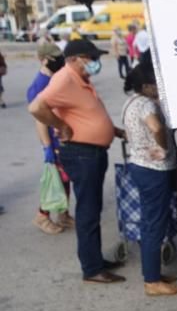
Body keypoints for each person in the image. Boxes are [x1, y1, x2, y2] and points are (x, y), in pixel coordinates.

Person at [28, 38, 126, 284]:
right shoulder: (64, 78)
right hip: (82, 154)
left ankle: (95, 260)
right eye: (91, 58)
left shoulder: (81, 80)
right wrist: (60, 126)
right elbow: (36, 107)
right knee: (88, 212)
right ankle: (92, 268)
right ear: (74, 59)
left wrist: (114, 131)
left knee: (92, 209)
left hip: (91, 153)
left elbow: (87, 114)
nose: (96, 62)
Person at [122, 60, 177, 296]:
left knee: (153, 222)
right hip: (153, 171)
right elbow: (156, 128)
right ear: (147, 85)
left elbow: (139, 134)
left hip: (143, 166)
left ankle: (154, 274)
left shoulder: (131, 102)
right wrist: (163, 148)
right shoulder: (147, 104)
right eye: (157, 83)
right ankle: (152, 281)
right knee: (154, 224)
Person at [26, 41, 73, 234]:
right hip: (53, 142)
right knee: (56, 179)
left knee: (66, 178)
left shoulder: (55, 79)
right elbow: (40, 121)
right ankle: (42, 216)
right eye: (56, 58)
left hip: (63, 138)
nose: (60, 61)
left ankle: (63, 214)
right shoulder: (39, 86)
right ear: (44, 60)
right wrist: (48, 147)